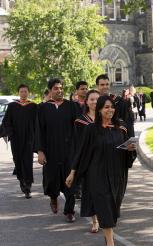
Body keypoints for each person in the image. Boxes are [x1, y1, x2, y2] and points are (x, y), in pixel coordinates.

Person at [65, 95, 136, 246]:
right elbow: (82, 152)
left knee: (113, 207)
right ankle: (110, 242)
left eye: (112, 107)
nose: (110, 110)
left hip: (118, 175)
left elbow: (128, 153)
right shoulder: (91, 129)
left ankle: (107, 235)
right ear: (99, 110)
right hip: (97, 174)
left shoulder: (121, 127)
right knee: (104, 207)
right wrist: (72, 172)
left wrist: (130, 149)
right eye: (106, 107)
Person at [36, 78, 78, 222]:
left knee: (70, 181)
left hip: (69, 151)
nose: (59, 90)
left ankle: (69, 211)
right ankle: (54, 198)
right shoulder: (42, 108)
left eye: (61, 88)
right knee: (52, 180)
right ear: (50, 91)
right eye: (56, 88)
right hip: (51, 151)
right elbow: (38, 131)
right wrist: (40, 151)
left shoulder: (71, 106)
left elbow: (79, 127)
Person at [65, 90, 100, 233]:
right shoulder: (80, 121)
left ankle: (106, 216)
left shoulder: (107, 118)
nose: (94, 102)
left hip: (104, 160)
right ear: (86, 102)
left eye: (97, 99)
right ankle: (95, 221)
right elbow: (78, 145)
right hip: (88, 162)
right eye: (91, 99)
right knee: (91, 191)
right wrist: (75, 168)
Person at [0, 84, 37, 199]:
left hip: (29, 138)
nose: (24, 93)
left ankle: (28, 186)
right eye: (21, 91)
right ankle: (21, 179)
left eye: (25, 91)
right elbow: (6, 121)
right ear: (18, 93)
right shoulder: (12, 106)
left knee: (28, 161)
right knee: (18, 160)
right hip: (16, 139)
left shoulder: (33, 106)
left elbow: (38, 122)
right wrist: (10, 133)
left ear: (28, 92)